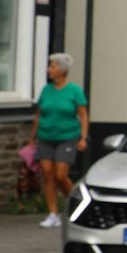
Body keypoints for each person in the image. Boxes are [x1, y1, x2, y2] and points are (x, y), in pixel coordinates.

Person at [30, 52, 88, 228]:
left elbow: (83, 116)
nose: (49, 70)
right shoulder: (46, 90)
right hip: (45, 137)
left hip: (66, 137)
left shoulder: (75, 91)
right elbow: (39, 115)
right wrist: (32, 138)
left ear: (62, 71)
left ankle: (79, 205)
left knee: (60, 175)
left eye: (52, 67)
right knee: (48, 175)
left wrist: (83, 138)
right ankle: (53, 214)